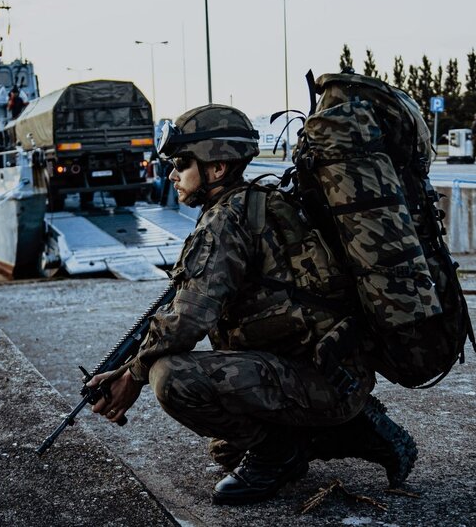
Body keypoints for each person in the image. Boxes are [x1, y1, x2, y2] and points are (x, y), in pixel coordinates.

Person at [87, 104, 416, 505]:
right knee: (225, 449)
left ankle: (285, 453)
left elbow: (187, 319)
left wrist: (133, 375)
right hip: (332, 371)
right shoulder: (260, 202)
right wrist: (125, 366)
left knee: (172, 378)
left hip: (320, 378)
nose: (172, 174)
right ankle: (358, 427)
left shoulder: (226, 221)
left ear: (217, 167)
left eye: (182, 163)